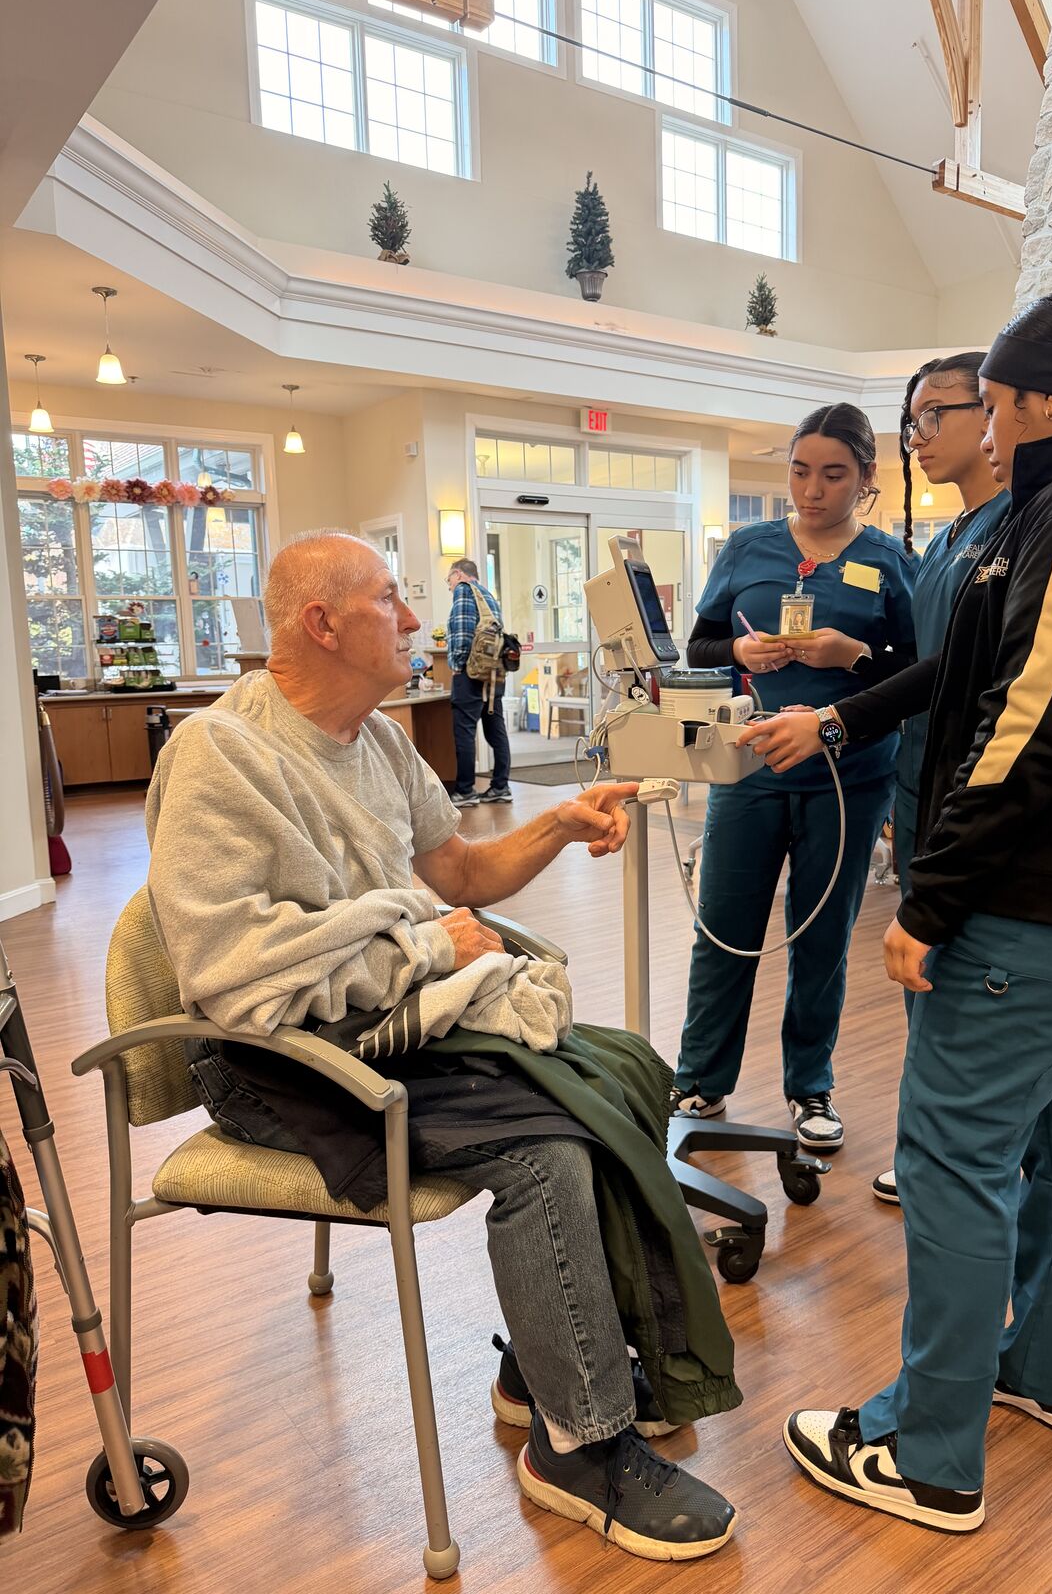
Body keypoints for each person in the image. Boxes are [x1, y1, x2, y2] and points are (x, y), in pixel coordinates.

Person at [145, 532, 739, 1562]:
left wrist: (554, 826)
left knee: (628, 1069)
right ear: (322, 624)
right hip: (273, 1063)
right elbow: (225, 969)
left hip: (388, 1027)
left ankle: (540, 1371)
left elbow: (458, 869)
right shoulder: (222, 755)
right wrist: (416, 944)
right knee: (546, 1147)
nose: (417, 619)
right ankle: (579, 1446)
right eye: (391, 599)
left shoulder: (376, 740)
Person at [745, 290, 1052, 1531]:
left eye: (988, 404)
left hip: (1045, 889)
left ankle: (926, 1447)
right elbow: (972, 661)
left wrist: (932, 898)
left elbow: (1034, 715)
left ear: (1044, 397)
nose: (981, 429)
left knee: (952, 1155)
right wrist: (841, 717)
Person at [672, 403, 916, 1153]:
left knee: (820, 937)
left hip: (850, 775)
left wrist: (851, 658)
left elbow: (915, 673)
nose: (813, 490)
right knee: (726, 930)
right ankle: (701, 1078)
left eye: (834, 474)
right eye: (801, 471)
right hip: (749, 772)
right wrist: (740, 658)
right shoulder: (748, 549)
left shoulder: (891, 563)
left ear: (866, 478)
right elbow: (702, 642)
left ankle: (810, 1087)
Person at [869, 353, 1011, 1205]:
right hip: (918, 782)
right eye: (910, 421)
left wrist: (840, 718)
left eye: (934, 415)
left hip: (969, 791)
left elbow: (970, 676)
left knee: (954, 984)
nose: (918, 436)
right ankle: (923, 1146)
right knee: (920, 985)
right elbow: (927, 664)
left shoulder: (1013, 535)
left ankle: (946, 1154)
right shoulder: (952, 539)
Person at [446, 556, 511, 808]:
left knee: (464, 732)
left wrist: (457, 665)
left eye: (449, 579)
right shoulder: (488, 596)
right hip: (494, 675)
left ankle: (465, 790)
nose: (449, 585)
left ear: (459, 574)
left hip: (471, 675)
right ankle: (500, 786)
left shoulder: (464, 591)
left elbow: (462, 631)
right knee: (496, 730)